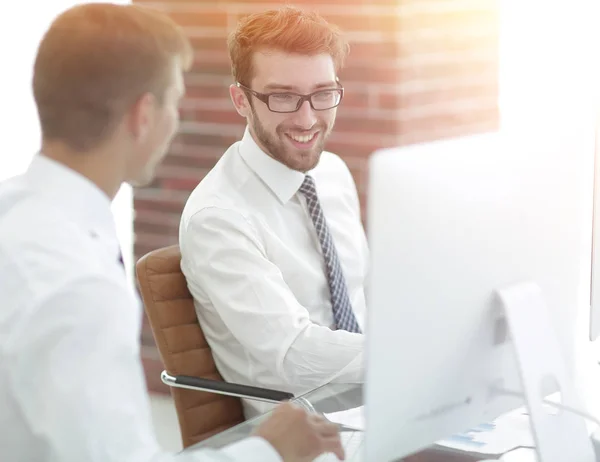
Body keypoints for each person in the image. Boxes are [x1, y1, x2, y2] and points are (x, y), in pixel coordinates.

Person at [0, 3, 344, 462]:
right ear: (145, 115)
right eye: (175, 101)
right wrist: (267, 449)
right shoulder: (80, 288)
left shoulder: (19, 216)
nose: (175, 122)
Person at [179, 6, 369, 419]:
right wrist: (409, 353)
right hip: (301, 432)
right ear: (241, 100)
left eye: (322, 94)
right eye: (282, 97)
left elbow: (361, 297)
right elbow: (295, 357)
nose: (307, 118)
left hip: (380, 404)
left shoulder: (333, 172)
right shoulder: (219, 217)